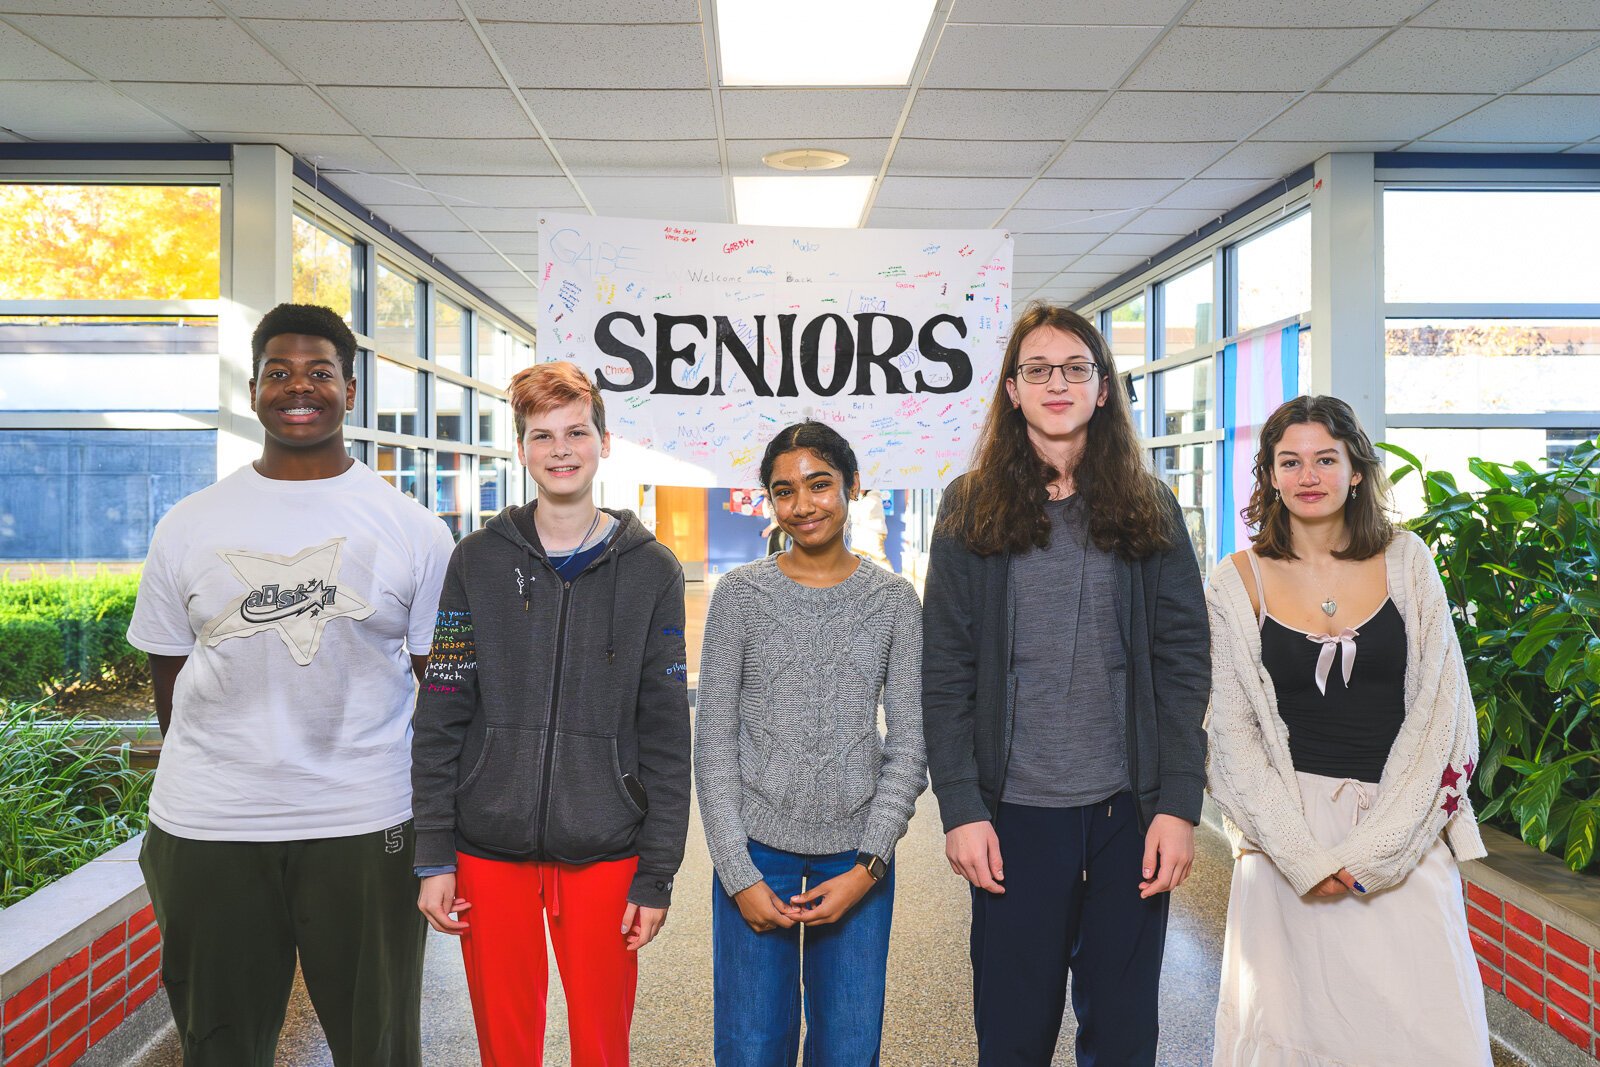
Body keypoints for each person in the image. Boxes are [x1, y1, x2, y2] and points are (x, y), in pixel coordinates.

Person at [126, 303, 454, 1067]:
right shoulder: (189, 524)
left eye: (318, 372)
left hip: (365, 819)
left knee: (379, 1045)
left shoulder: (412, 527)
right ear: (253, 389)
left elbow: (437, 691)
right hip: (209, 825)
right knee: (218, 1043)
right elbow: (168, 675)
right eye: (279, 372)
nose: (298, 387)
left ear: (349, 388)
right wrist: (226, 768)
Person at [922, 302, 1209, 1066]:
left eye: (1075, 368)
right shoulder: (968, 507)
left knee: (1122, 1039)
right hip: (1013, 815)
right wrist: (959, 806)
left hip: (1130, 812)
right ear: (1012, 389)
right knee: (1012, 1039)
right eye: (1038, 369)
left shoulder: (1151, 509)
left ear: (1103, 388)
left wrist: (1179, 804)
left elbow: (1185, 662)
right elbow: (944, 669)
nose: (1057, 382)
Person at [410, 361, 691, 1067]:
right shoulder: (474, 560)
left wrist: (656, 872)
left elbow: (665, 729)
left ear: (604, 440)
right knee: (506, 1045)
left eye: (576, 431)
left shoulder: (653, 569)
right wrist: (434, 852)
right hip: (487, 842)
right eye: (543, 435)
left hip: (605, 842)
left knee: (601, 1043)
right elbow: (442, 703)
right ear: (523, 448)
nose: (561, 449)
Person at [1206, 395, 1490, 1065]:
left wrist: (1378, 851)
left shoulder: (1407, 559)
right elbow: (1229, 734)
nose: (1309, 474)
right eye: (1291, 460)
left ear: (1355, 470)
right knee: (1293, 1035)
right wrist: (1304, 855)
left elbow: (1447, 715)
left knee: (1429, 1033)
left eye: (1326, 459)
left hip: (1404, 830)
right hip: (1285, 841)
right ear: (1269, 475)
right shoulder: (1235, 579)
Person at [695, 421, 927, 1066]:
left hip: (855, 862)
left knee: (849, 1047)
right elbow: (712, 738)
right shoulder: (739, 597)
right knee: (749, 1047)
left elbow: (910, 741)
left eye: (819, 484)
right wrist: (737, 874)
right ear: (770, 502)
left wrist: (870, 865)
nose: (803, 505)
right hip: (754, 853)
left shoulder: (895, 601)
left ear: (852, 487)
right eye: (784, 490)